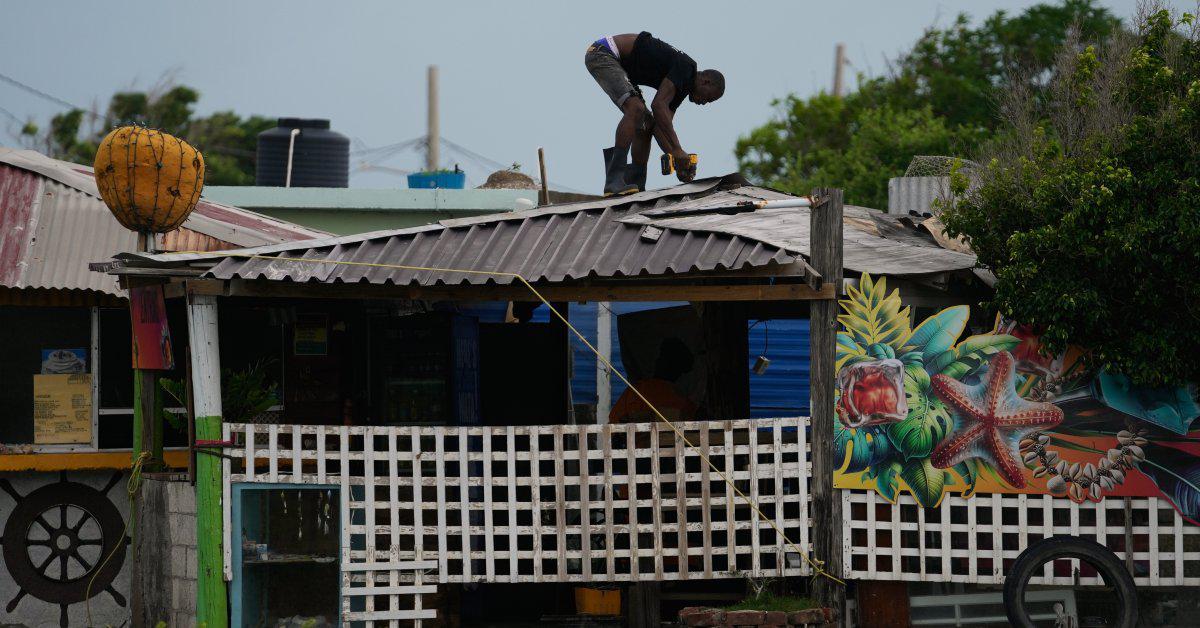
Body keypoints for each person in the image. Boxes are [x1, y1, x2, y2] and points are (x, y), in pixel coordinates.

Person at [585, 32, 725, 195]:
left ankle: (635, 182)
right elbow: (658, 105)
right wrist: (677, 149)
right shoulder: (687, 68)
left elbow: (659, 128)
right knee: (635, 109)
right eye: (708, 98)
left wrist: (677, 159)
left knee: (646, 123)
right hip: (603, 53)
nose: (704, 103)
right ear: (705, 82)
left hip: (620, 66)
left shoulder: (681, 88)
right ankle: (614, 180)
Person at [610, 337, 698, 424]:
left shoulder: (638, 391)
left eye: (661, 357)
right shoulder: (685, 403)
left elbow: (614, 422)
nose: (657, 361)